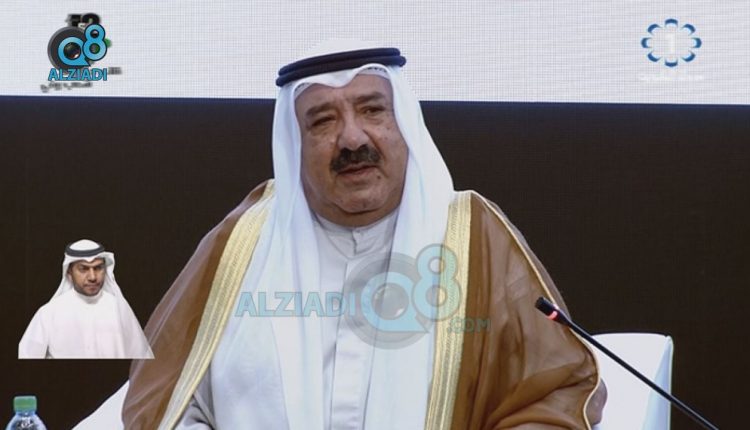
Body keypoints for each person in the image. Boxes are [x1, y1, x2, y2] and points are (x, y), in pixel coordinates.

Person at [122, 41, 606, 429]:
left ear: (404, 124)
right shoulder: (242, 244)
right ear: (294, 144)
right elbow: (165, 400)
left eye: (373, 111)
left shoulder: (472, 235)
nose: (352, 139)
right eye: (323, 121)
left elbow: (555, 393)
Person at [18, 239, 154, 359]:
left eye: (98, 268)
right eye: (83, 269)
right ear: (69, 272)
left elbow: (143, 359)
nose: (92, 277)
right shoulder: (48, 314)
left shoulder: (119, 309)